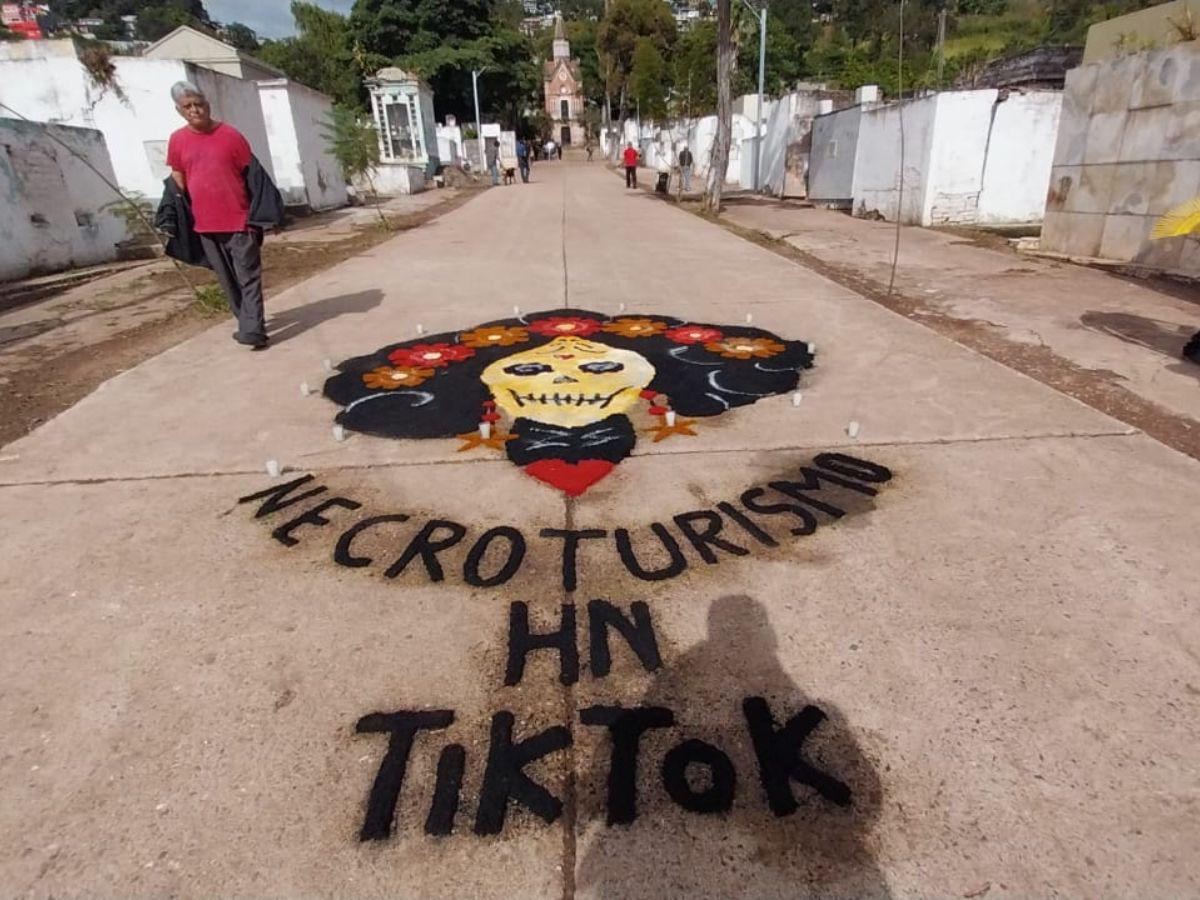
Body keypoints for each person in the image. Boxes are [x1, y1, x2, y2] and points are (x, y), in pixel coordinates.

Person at [165, 80, 282, 350]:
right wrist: (177, 216)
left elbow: (254, 177)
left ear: (207, 104)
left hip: (240, 221)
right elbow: (178, 178)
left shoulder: (231, 136)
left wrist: (267, 215)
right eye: (188, 106)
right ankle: (247, 322)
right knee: (227, 280)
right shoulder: (178, 140)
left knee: (248, 276)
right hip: (205, 225)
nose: (195, 110)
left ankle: (253, 330)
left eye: (199, 103)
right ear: (179, 110)